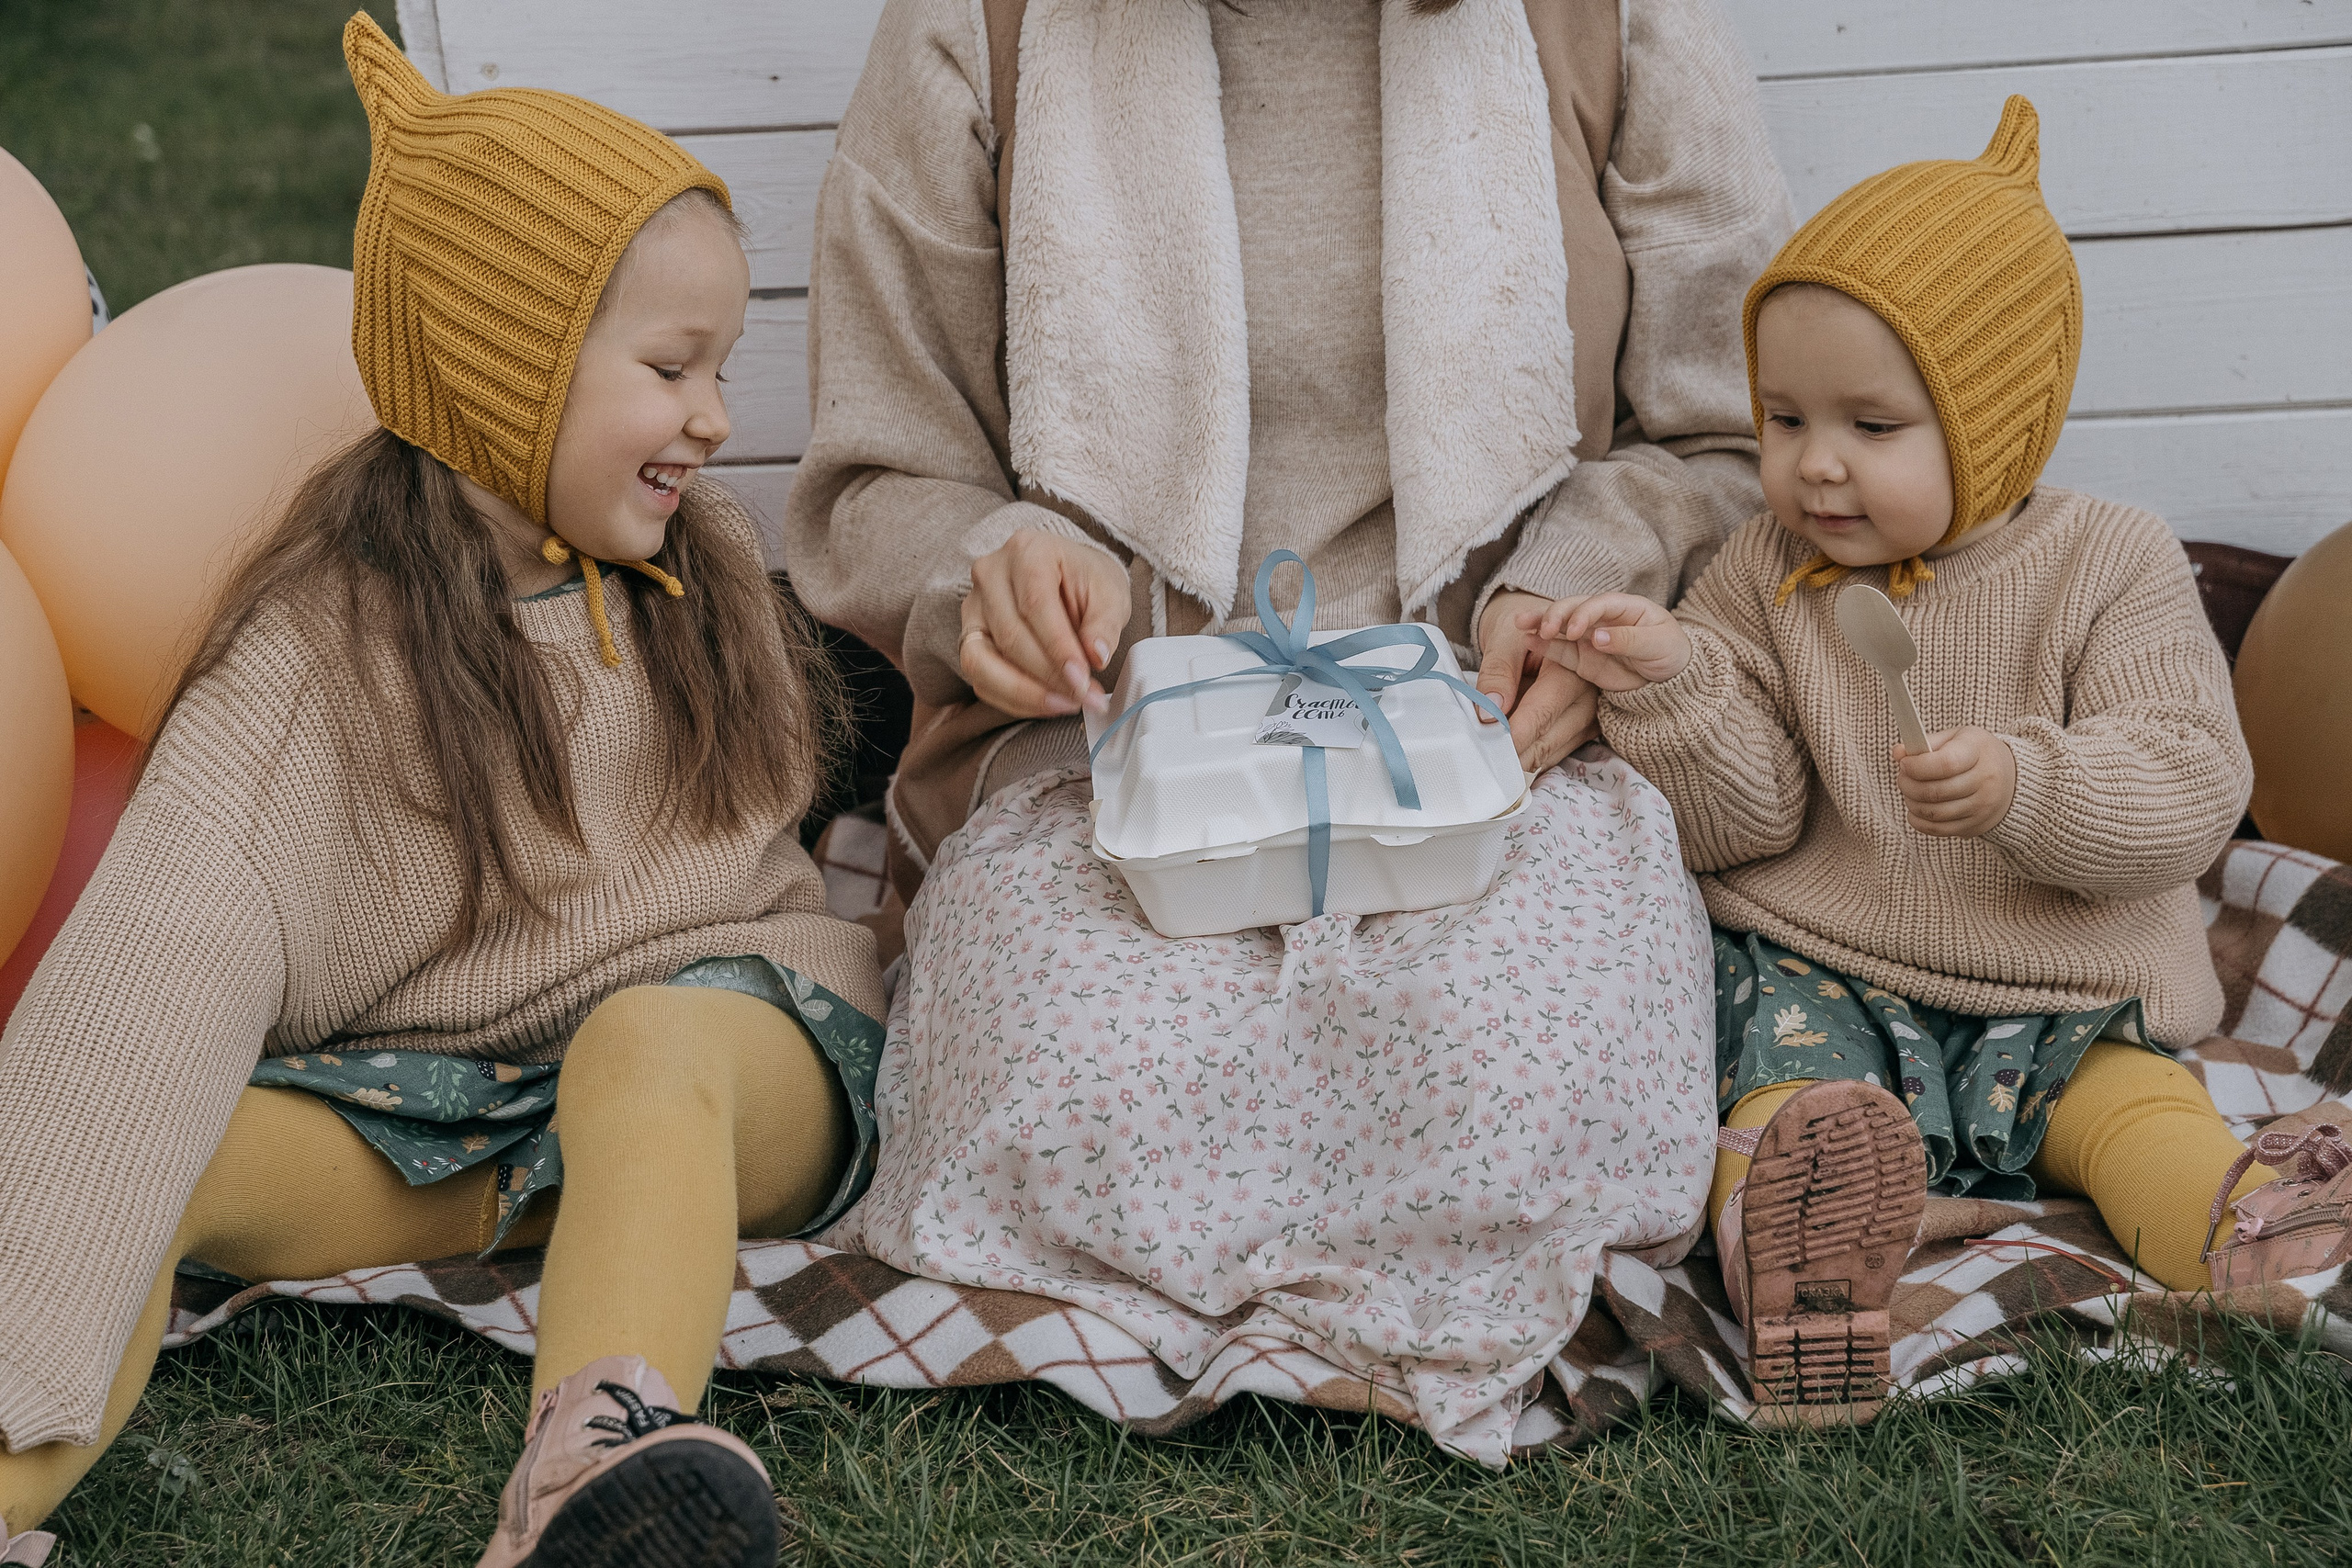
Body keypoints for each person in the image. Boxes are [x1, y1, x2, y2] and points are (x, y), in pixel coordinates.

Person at [0, 17, 884, 1565]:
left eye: (721, 369)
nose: (717, 420)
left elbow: (763, 863)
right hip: (452, 1118)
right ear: (507, 368)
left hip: (737, 1049)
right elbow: (155, 968)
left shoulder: (706, 571)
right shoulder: (321, 650)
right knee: (152, 1140)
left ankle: (594, 1473)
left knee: (643, 1045)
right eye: (671, 369)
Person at [1534, 96, 2352, 1427]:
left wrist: (2032, 786)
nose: (1812, 466)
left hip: (2065, 982)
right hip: (1823, 966)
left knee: (2138, 1111)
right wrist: (1675, 685)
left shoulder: (2111, 562)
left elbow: (2190, 779)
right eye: (1784, 417)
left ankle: (2231, 1226)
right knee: (1781, 1101)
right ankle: (1803, 1269)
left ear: (1992, 423)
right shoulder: (1759, 571)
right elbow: (1739, 820)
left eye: (1871, 424)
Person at [785, 0, 1794, 888]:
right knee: (1095, 1075)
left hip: (1503, 739)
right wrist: (993, 574)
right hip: (1089, 756)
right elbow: (875, 483)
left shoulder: (1619, 20)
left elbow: (1733, 436)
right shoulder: (969, 20)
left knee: (1535, 1063)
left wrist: (1576, 589)